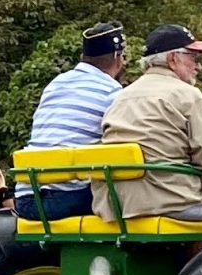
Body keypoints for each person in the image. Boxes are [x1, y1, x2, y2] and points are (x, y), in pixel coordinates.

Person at [99, 26, 202, 223]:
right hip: (172, 202)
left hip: (119, 205)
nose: (198, 67)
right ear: (172, 59)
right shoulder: (188, 95)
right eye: (194, 58)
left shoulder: (121, 96)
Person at [22, 22, 128, 219]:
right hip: (68, 199)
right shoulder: (112, 92)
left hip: (26, 199)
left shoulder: (55, 84)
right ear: (117, 57)